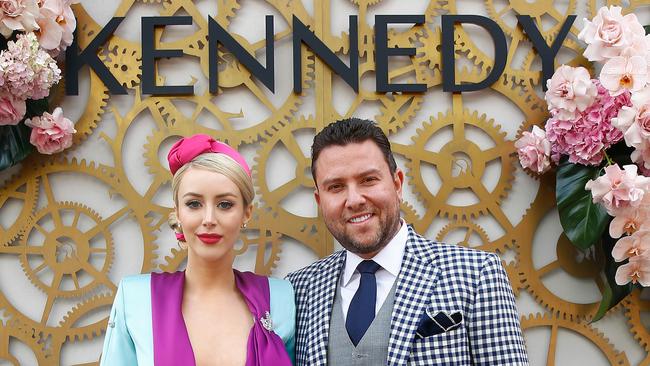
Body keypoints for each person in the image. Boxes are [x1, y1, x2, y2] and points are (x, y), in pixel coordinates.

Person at [286, 118, 528, 365]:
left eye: (368, 180)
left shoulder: (476, 274)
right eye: (336, 187)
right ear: (320, 201)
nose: (354, 199)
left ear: (397, 184)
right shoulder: (298, 289)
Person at [100, 134, 295, 366]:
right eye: (194, 204)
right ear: (178, 212)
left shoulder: (280, 298)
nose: (209, 219)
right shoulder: (135, 298)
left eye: (225, 204)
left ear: (247, 212)